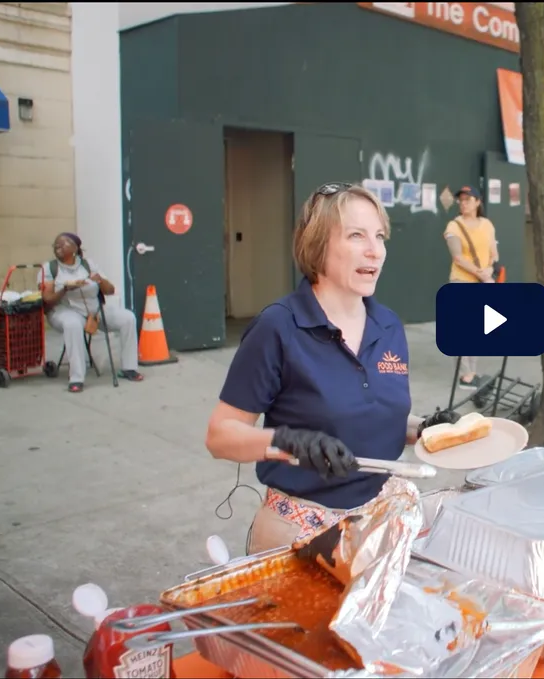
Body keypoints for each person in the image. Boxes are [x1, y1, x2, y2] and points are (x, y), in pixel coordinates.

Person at [205, 183, 457, 555]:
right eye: (356, 235)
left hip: (378, 526)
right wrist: (287, 443)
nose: (375, 250)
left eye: (380, 236)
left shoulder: (387, 326)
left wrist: (423, 430)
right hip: (297, 533)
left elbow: (370, 414)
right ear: (318, 244)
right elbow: (220, 436)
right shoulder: (279, 327)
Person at [38, 233, 143, 393]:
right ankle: (76, 378)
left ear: (75, 248)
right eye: (56, 245)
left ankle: (129, 368)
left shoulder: (88, 265)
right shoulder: (49, 268)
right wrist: (65, 289)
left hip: (95, 310)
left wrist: (100, 280)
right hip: (65, 310)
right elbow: (47, 299)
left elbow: (110, 290)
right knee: (72, 324)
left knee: (128, 318)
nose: (58, 247)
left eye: (63, 244)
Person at [443, 185, 498, 389]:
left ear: (478, 202)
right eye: (461, 200)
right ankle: (465, 375)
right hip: (462, 282)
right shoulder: (454, 226)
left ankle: (472, 372)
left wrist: (489, 269)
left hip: (482, 282)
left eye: (468, 199)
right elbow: (457, 257)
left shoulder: (487, 225)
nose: (463, 203)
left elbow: (494, 253)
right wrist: (481, 274)